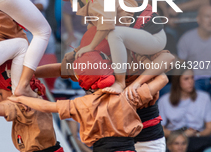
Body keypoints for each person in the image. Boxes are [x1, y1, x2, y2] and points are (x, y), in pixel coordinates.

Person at [9, 58, 169, 152]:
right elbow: (163, 78)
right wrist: (137, 84)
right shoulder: (127, 96)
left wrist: (20, 98)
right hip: (137, 144)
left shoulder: (85, 103)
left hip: (145, 139)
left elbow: (48, 107)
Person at [58, 0, 166, 94]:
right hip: (138, 37)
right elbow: (93, 32)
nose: (72, 3)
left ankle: (119, 83)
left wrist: (90, 47)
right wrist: (77, 51)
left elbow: (107, 25)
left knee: (114, 34)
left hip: (152, 37)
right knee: (108, 36)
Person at [158, 68, 211, 152]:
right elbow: (160, 129)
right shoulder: (164, 101)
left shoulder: (204, 98)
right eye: (186, 79)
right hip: (174, 139)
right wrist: (181, 135)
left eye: (192, 78)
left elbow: (209, 128)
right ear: (178, 81)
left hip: (197, 138)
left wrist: (196, 134)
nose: (191, 81)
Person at [177, 5, 211, 95]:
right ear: (198, 19)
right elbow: (180, 65)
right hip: (194, 80)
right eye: (207, 16)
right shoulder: (186, 38)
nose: (210, 20)